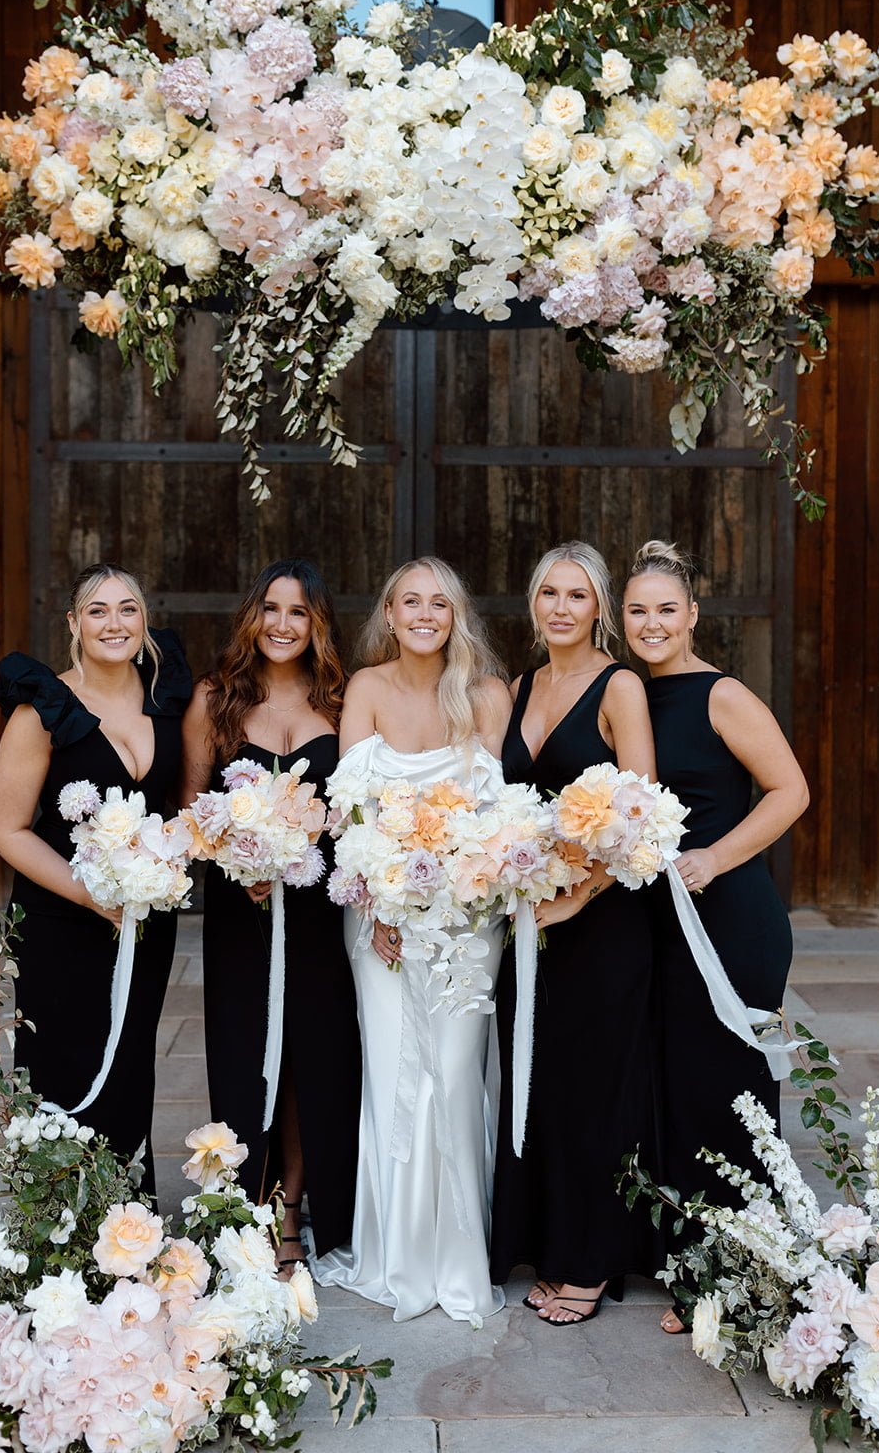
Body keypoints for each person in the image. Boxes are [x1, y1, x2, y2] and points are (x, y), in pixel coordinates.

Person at [312, 557, 512, 1322]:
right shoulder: (366, 688)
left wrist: (448, 889)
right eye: (410, 602)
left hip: (465, 920)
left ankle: (459, 1258)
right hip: (380, 917)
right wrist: (382, 901)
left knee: (454, 1074)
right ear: (389, 615)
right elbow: (349, 811)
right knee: (392, 1069)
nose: (424, 614)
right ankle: (392, 1252)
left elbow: (497, 817)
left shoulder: (486, 694)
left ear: (455, 615)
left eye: (439, 603)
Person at [621, 539, 809, 1333]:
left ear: (692, 615)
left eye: (666, 609)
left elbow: (790, 789)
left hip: (731, 918)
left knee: (728, 1090)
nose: (652, 623)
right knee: (671, 1086)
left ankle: (734, 1271)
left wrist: (714, 858)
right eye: (638, 610)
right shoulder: (624, 693)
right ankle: (679, 1253)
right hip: (658, 923)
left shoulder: (720, 695)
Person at [489, 541, 659, 1325]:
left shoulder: (618, 686)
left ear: (599, 609)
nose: (561, 608)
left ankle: (588, 1263)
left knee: (593, 1091)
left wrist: (579, 895)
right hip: (529, 916)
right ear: (534, 603)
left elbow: (640, 811)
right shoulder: (518, 687)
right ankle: (546, 1245)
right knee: (540, 1084)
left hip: (602, 922)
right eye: (548, 593)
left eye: (577, 595)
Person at [0, 564, 192, 1199]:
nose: (114, 623)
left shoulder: (167, 697)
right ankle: (57, 1229)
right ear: (74, 624)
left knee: (129, 1060)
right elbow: (6, 827)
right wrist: (91, 894)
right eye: (97, 611)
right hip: (61, 921)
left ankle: (127, 1218)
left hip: (144, 920)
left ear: (144, 619)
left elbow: (183, 806)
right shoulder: (44, 707)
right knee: (63, 1067)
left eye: (128, 609)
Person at [181, 559, 360, 1271]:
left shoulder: (341, 703)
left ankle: (292, 1210)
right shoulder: (215, 698)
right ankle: (244, 1206)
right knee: (245, 1054)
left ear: (318, 625)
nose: (283, 625)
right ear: (251, 616)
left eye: (299, 612)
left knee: (314, 1059)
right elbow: (192, 810)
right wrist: (238, 855)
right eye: (271, 609)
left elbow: (359, 811)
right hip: (241, 910)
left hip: (320, 909)